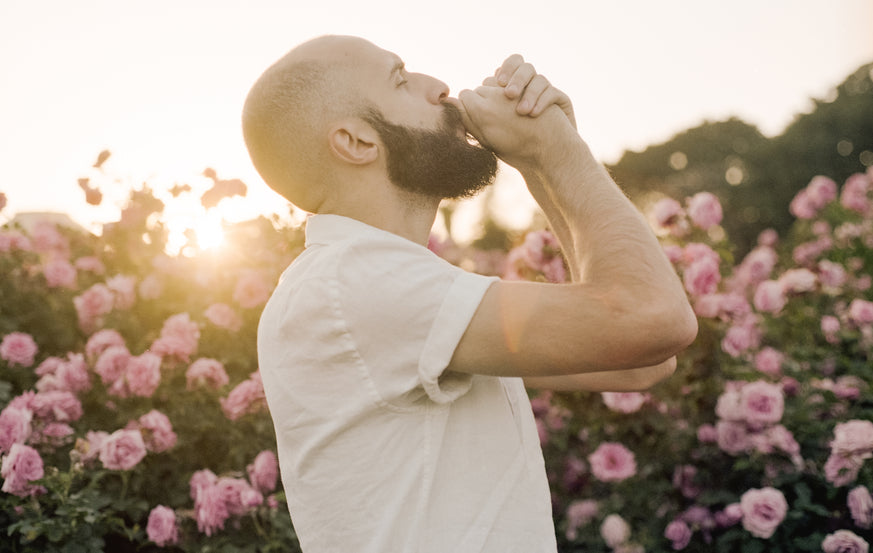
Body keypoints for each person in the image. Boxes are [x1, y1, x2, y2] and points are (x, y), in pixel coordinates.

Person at [241, 35, 697, 553]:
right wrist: (557, 147)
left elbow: (639, 362)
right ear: (357, 141)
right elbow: (651, 318)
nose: (438, 87)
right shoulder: (355, 280)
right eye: (401, 78)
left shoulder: (383, 285)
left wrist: (542, 162)